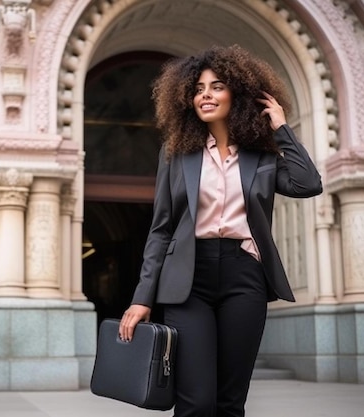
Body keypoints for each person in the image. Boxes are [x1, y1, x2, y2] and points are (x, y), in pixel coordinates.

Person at [118, 44, 323, 417]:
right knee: (196, 401)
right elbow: (161, 228)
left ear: (239, 94)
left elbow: (307, 184)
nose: (206, 95)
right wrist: (142, 296)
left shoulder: (262, 156)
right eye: (198, 89)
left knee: (231, 402)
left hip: (244, 276)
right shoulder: (176, 153)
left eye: (217, 86)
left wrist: (280, 128)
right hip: (188, 279)